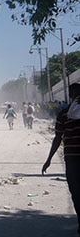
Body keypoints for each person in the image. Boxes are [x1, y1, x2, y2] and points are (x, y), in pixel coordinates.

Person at [42, 83, 80, 235]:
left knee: (76, 193)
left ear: (70, 95)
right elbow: (58, 137)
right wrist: (49, 159)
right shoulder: (65, 114)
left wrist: (49, 159)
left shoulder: (64, 114)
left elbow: (58, 138)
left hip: (72, 159)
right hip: (71, 159)